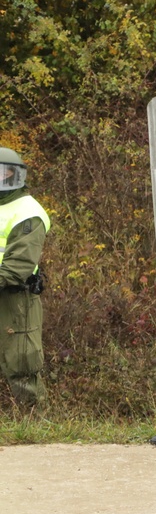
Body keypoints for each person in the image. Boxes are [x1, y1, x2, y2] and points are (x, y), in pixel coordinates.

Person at [0, 147, 50, 405]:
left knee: (21, 363)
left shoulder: (28, 211)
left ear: (15, 175)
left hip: (15, 298)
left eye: (4, 173)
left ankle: (34, 425)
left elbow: (17, 266)